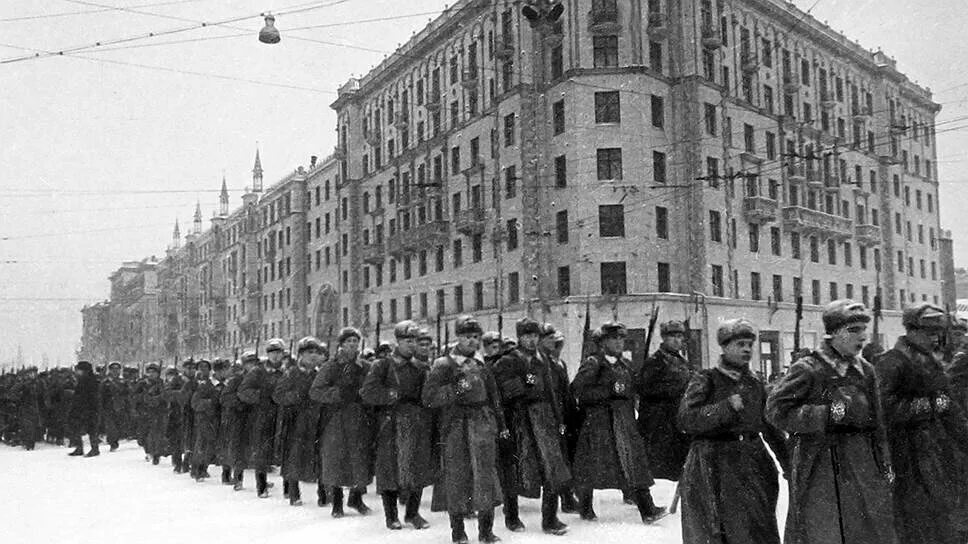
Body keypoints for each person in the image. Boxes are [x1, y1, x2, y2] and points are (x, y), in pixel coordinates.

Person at [767, 300, 897, 544]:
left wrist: (885, 461)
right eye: (853, 330)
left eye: (863, 330)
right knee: (825, 530)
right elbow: (776, 411)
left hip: (863, 464)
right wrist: (825, 414)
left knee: (868, 529)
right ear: (834, 333)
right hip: (821, 467)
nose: (862, 337)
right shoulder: (809, 368)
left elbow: (878, 423)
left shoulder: (865, 370)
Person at [678, 319, 788, 544]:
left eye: (749, 344)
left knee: (757, 528)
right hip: (712, 464)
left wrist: (788, 464)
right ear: (725, 347)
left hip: (752, 461)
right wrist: (725, 407)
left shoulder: (755, 383)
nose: (747, 349)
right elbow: (686, 419)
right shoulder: (706, 379)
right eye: (740, 344)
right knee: (718, 530)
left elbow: (770, 426)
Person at [876, 303, 968, 544]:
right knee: (915, 522)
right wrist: (929, 405)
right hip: (905, 456)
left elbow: (950, 410)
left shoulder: (930, 361)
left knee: (942, 519)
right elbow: (882, 410)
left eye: (938, 333)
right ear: (911, 331)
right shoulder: (891, 362)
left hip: (935, 453)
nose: (935, 338)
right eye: (929, 333)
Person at [570, 322, 666, 524]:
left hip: (624, 422)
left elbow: (632, 392)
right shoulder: (593, 363)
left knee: (634, 463)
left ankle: (647, 509)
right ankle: (585, 507)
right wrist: (608, 392)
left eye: (622, 338)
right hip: (599, 424)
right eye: (614, 338)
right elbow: (578, 390)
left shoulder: (625, 365)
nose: (619, 342)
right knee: (590, 466)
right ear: (602, 342)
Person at [423, 315, 506, 544]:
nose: (472, 341)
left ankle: (486, 531)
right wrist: (456, 389)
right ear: (458, 338)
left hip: (481, 423)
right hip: (456, 425)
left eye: (476, 337)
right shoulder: (444, 365)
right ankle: (458, 531)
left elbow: (494, 397)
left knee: (485, 476)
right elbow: (429, 398)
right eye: (467, 337)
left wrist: (499, 424)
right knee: (457, 476)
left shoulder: (482, 365)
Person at [492, 318, 571, 535]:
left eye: (535, 336)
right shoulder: (507, 361)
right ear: (519, 337)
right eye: (527, 336)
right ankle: (512, 517)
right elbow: (501, 393)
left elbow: (552, 393)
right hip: (518, 420)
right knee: (515, 469)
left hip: (544, 419)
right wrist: (524, 385)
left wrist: (559, 420)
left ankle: (550, 519)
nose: (531, 340)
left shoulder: (544, 359)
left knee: (552, 468)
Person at [361, 320, 435, 530]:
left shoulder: (422, 367)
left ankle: (413, 513)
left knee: (417, 467)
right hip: (390, 422)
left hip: (416, 422)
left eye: (415, 341)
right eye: (408, 340)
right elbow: (367, 392)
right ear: (398, 341)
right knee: (389, 470)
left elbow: (428, 396)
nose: (412, 345)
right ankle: (391, 516)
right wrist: (389, 395)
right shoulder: (382, 366)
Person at [310, 327, 375, 518]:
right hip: (336, 418)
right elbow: (316, 391)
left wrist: (367, 396)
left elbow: (373, 387)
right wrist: (337, 394)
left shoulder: (365, 367)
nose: (352, 344)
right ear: (341, 344)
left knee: (360, 458)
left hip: (360, 418)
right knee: (336, 460)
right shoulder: (331, 367)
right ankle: (337, 503)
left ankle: (356, 498)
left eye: (355, 341)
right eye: (348, 341)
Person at [636, 320, 694, 482]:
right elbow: (644, 389)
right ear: (664, 338)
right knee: (664, 467)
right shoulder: (655, 361)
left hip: (679, 418)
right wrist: (674, 389)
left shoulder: (682, 362)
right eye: (672, 337)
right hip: (661, 421)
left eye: (680, 337)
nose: (677, 341)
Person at [273, 337, 325, 507]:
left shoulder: (319, 375)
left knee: (318, 456)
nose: (313, 356)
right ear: (301, 355)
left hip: (315, 420)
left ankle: (323, 494)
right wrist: (295, 397)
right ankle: (294, 492)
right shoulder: (291, 374)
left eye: (316, 353)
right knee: (294, 456)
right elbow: (278, 395)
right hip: (295, 421)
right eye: (310, 352)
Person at [539, 326, 580, 514]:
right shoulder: (543, 363)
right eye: (554, 342)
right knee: (557, 460)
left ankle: (567, 497)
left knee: (566, 456)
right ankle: (564, 500)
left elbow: (566, 390)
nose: (558, 346)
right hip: (550, 416)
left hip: (564, 415)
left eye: (559, 343)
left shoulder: (560, 363)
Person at [238, 341, 282, 498]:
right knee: (262, 451)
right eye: (272, 352)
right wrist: (261, 397)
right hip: (262, 416)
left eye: (278, 352)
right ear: (268, 354)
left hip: (283, 414)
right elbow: (243, 391)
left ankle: (290, 488)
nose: (276, 355)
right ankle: (261, 485)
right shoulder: (258, 371)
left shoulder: (287, 371)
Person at [223, 353, 257, 490]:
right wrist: (240, 403)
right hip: (238, 418)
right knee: (238, 448)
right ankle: (237, 478)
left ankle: (261, 480)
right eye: (249, 363)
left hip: (255, 417)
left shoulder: (259, 378)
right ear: (243, 365)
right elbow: (225, 398)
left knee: (255, 449)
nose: (252, 366)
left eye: (254, 363)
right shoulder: (236, 380)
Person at [189, 360, 220, 482]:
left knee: (208, 444)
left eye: (206, 367)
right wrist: (209, 403)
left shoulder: (211, 382)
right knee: (201, 444)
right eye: (201, 367)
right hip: (199, 417)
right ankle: (197, 470)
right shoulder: (194, 383)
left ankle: (203, 468)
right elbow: (194, 402)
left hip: (209, 417)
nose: (203, 370)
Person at [68, 360, 101, 457]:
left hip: (90, 409)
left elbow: (92, 396)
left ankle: (95, 449)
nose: (77, 372)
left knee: (92, 429)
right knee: (76, 427)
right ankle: (79, 448)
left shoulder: (91, 381)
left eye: (79, 370)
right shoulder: (82, 380)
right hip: (80, 408)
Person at [162, 361, 190, 472]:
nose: (190, 370)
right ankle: (178, 463)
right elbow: (167, 394)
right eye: (188, 368)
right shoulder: (177, 380)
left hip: (189, 413)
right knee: (176, 440)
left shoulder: (196, 380)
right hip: (176, 413)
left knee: (189, 440)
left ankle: (187, 462)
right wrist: (181, 395)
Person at [142, 364, 168, 465]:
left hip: (160, 412)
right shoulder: (143, 383)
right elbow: (136, 396)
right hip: (145, 412)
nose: (152, 374)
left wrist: (156, 399)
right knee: (145, 434)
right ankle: (149, 451)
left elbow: (164, 395)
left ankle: (156, 453)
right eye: (150, 372)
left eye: (154, 372)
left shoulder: (162, 384)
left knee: (157, 433)